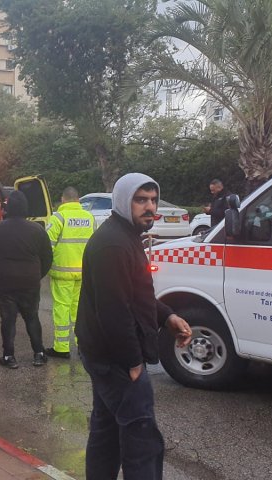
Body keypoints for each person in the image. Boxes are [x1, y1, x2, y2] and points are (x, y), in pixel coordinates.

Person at [75, 173, 192, 480]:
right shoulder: (113, 244)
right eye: (141, 200)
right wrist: (132, 362)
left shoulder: (125, 236)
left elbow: (136, 294)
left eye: (153, 200)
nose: (149, 207)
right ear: (124, 202)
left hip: (105, 354)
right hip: (115, 359)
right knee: (142, 440)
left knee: (107, 430)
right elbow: (114, 311)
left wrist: (167, 316)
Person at [0, 190, 53, 369]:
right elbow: (47, 258)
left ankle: (8, 356)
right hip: (30, 281)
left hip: (4, 282)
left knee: (8, 319)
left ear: (7, 208)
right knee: (32, 317)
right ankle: (39, 353)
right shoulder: (37, 230)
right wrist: (37, 275)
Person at [45, 187, 94, 359]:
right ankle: (83, 346)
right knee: (79, 311)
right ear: (78, 200)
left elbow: (47, 245)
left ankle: (61, 348)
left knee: (61, 309)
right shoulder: (89, 218)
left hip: (62, 273)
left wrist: (44, 267)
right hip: (83, 272)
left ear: (63, 199)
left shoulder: (59, 217)